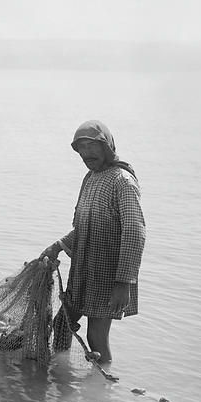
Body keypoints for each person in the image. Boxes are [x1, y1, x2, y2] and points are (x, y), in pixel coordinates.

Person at [40, 120, 146, 363]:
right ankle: (60, 379)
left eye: (91, 147)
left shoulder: (123, 181)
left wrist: (124, 283)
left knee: (96, 337)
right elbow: (82, 228)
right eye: (81, 150)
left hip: (108, 275)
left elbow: (134, 231)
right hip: (83, 271)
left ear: (106, 146)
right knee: (62, 325)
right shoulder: (90, 178)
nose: (86, 154)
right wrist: (57, 246)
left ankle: (102, 389)